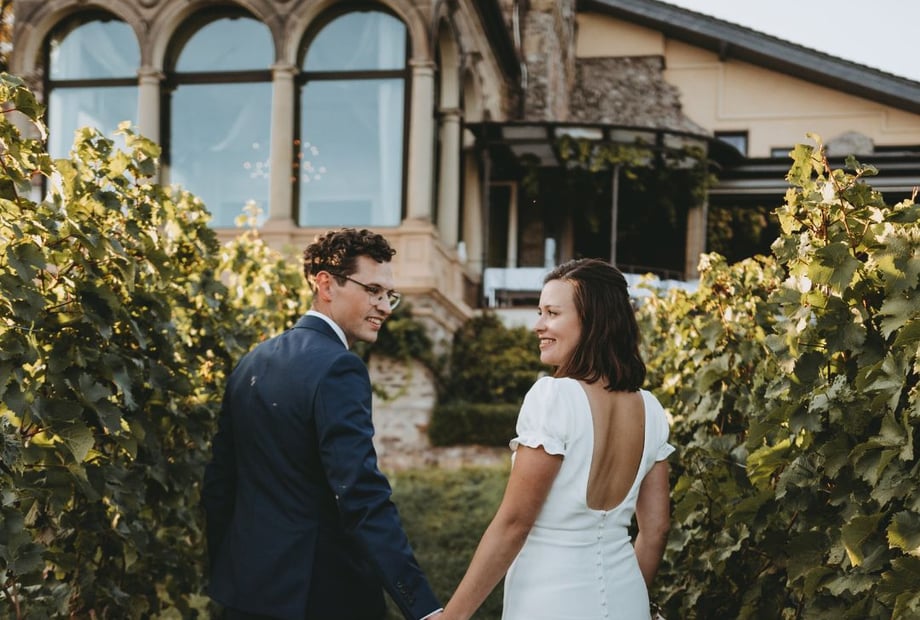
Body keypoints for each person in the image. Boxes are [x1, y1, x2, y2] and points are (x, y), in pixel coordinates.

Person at [202, 228, 443, 620]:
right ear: (326, 284)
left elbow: (219, 485)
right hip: (322, 597)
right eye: (373, 290)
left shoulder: (251, 362)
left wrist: (233, 575)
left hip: (246, 596)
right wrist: (423, 606)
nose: (385, 306)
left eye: (389, 295)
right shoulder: (339, 367)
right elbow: (360, 495)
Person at [441, 258, 674, 620]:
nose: (538, 325)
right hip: (628, 601)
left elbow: (514, 524)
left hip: (550, 602)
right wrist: (628, 599)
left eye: (552, 313)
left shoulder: (553, 397)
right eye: (540, 312)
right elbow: (656, 530)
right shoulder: (652, 409)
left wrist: (453, 616)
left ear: (593, 321)